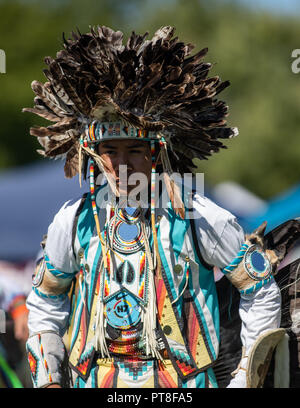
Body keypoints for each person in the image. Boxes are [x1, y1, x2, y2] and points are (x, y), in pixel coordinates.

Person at [23, 25, 297, 388]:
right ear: (93, 155)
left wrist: (244, 376)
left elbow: (259, 289)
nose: (121, 163)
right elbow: (45, 302)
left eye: (134, 150)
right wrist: (49, 379)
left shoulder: (198, 214)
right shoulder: (74, 221)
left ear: (156, 153)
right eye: (111, 151)